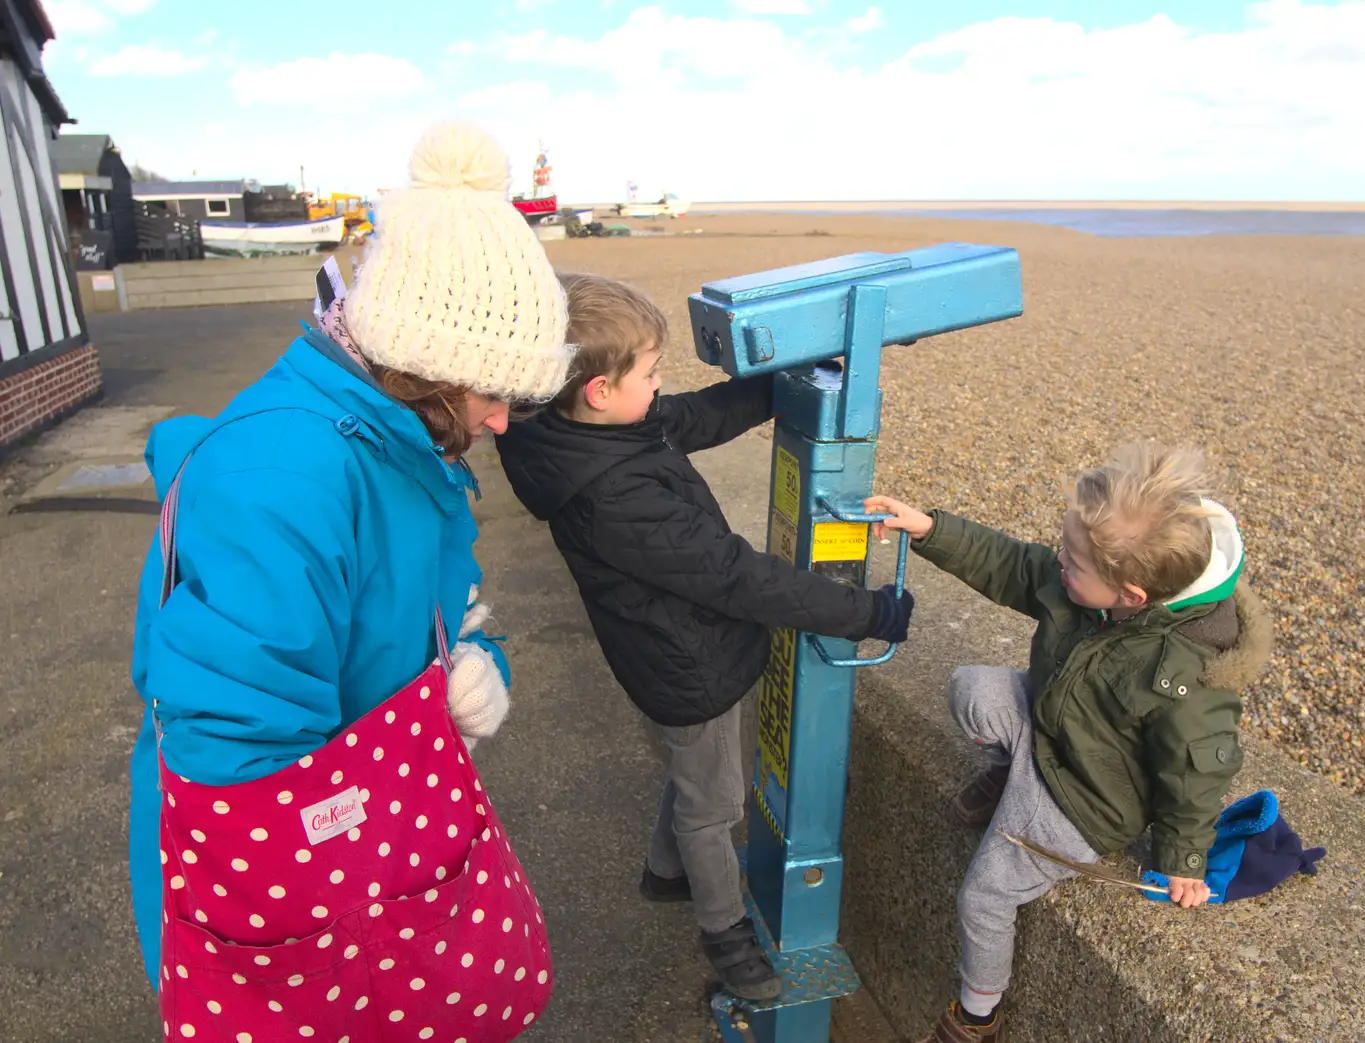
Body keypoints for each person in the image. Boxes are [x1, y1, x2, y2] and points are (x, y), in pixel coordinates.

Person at [128, 122, 570, 1038]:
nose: (500, 419)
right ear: (419, 361)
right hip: (294, 901)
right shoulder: (285, 482)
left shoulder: (398, 440)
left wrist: (474, 656)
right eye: (491, 389)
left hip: (360, 847)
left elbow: (439, 601)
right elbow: (236, 771)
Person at [495, 272, 915, 1000]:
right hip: (687, 664)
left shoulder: (581, 431)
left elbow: (694, 417)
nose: (660, 386)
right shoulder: (614, 498)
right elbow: (738, 576)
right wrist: (865, 612)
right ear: (598, 388)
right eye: (651, 372)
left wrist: (776, 387)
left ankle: (665, 874)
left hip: (680, 651)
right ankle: (724, 932)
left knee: (697, 771)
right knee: (715, 804)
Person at [865, 442, 1274, 1042]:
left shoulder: (1183, 671)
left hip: (1084, 799)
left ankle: (977, 1015)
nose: (1060, 562)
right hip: (1052, 728)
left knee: (984, 895)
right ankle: (1012, 770)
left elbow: (1197, 768)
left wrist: (1184, 859)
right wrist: (929, 530)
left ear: (1131, 595)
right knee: (970, 689)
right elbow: (1013, 566)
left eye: (1073, 561)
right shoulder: (1090, 585)